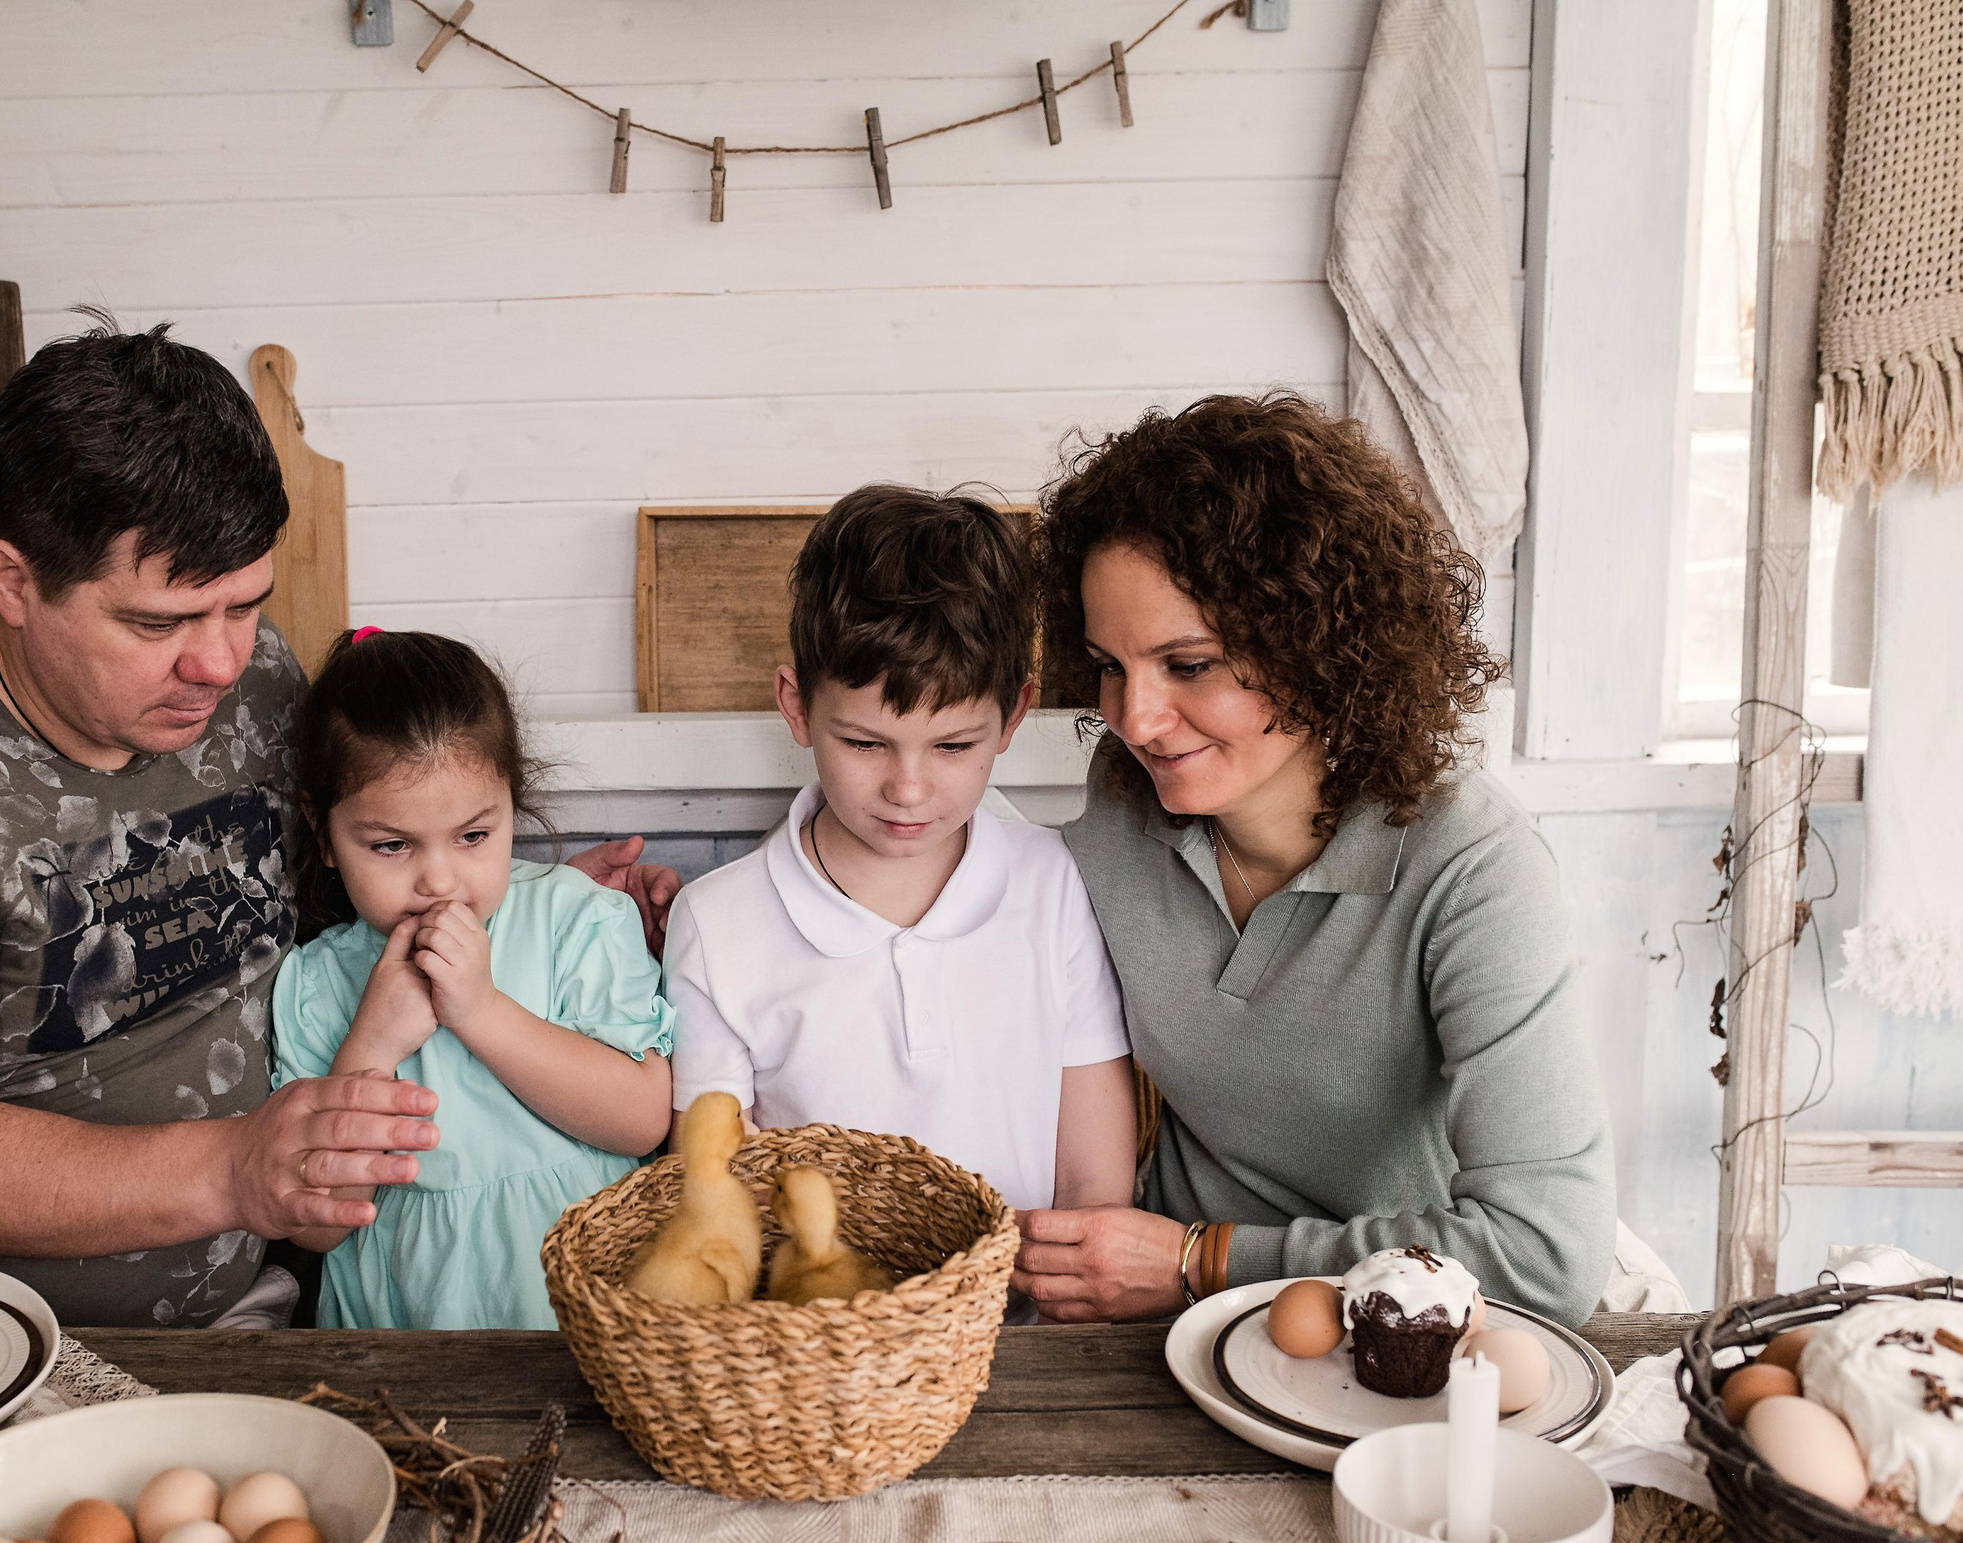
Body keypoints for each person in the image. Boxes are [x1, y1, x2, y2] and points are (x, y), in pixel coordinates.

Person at [0, 318, 676, 1327]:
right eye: (157, 623)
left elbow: (349, 891)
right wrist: (237, 1169)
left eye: (244, 606)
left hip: (264, 1298)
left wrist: (519, 898)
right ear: (11, 582)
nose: (219, 664)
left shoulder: (257, 683)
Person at [1012, 394, 1616, 1327]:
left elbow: (1547, 1257)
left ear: (1321, 645)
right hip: (1158, 1331)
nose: (1134, 721)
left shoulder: (1474, 869)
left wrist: (1201, 1258)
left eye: (1189, 665)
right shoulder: (1126, 799)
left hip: (1394, 1335)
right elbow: (975, 897)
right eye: (1109, 665)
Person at [661, 485, 1138, 1215]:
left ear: (1012, 714)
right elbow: (714, 1194)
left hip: (1029, 1321)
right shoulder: (716, 922)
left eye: (952, 745)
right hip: (825, 1322)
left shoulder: (1055, 883)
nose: (907, 790)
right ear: (797, 706)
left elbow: (1093, 1185)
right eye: (863, 743)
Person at [268, 631, 674, 1329]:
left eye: (473, 836)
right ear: (324, 831)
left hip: (585, 1328)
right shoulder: (315, 980)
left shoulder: (576, 919)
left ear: (511, 805)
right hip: (398, 1342)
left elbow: (641, 1121)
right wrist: (371, 1044)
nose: (440, 878)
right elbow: (313, 1226)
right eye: (392, 845)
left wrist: (482, 1010)